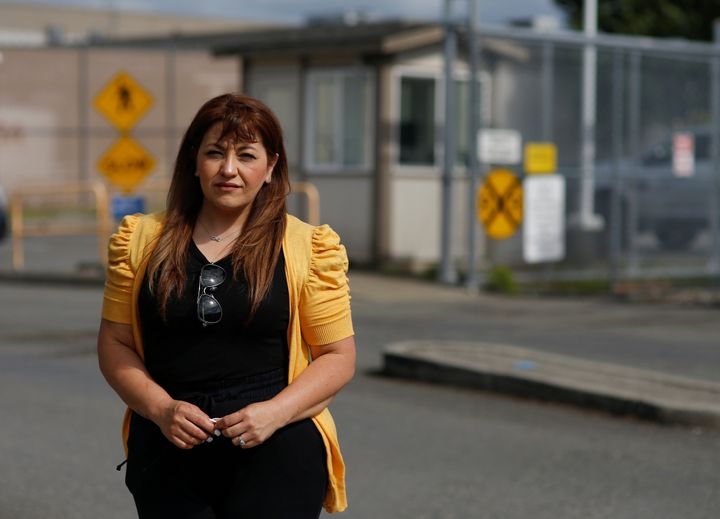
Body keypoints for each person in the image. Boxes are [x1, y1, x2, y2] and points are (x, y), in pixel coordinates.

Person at [97, 93, 356, 518]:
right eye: (215, 153)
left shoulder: (308, 247)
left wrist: (275, 413)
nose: (229, 170)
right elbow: (114, 343)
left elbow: (338, 357)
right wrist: (162, 409)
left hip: (277, 452)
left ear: (271, 166)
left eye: (246, 155)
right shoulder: (140, 240)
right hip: (167, 451)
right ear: (194, 161)